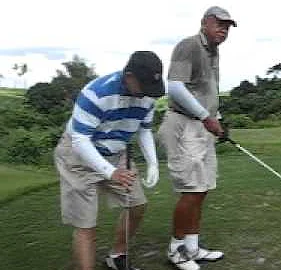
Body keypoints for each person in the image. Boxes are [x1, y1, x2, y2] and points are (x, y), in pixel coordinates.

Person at [54, 51, 164, 270]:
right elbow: (80, 140)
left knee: (137, 205)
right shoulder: (96, 93)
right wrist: (110, 172)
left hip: (115, 153)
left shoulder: (149, 93)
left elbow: (144, 130)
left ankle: (117, 256)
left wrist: (153, 162)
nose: (146, 96)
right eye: (142, 87)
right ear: (129, 76)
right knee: (87, 226)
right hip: (78, 156)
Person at [158, 6, 236, 270]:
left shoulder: (214, 51)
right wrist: (206, 116)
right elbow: (176, 87)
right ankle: (175, 249)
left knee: (202, 189)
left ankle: (192, 246)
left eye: (227, 27)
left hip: (202, 126)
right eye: (219, 24)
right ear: (204, 23)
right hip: (184, 125)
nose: (223, 30)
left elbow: (208, 90)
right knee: (191, 191)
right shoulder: (188, 46)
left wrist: (218, 117)